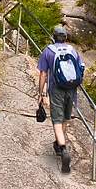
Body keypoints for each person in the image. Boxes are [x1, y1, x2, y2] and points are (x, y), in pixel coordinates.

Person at [37, 24, 85, 173]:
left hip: (56, 89)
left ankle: (63, 150)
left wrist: (41, 93)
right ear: (65, 38)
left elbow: (43, 74)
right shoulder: (72, 50)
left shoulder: (48, 51)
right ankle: (59, 143)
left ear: (53, 36)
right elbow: (81, 67)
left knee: (57, 121)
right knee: (65, 118)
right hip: (71, 88)